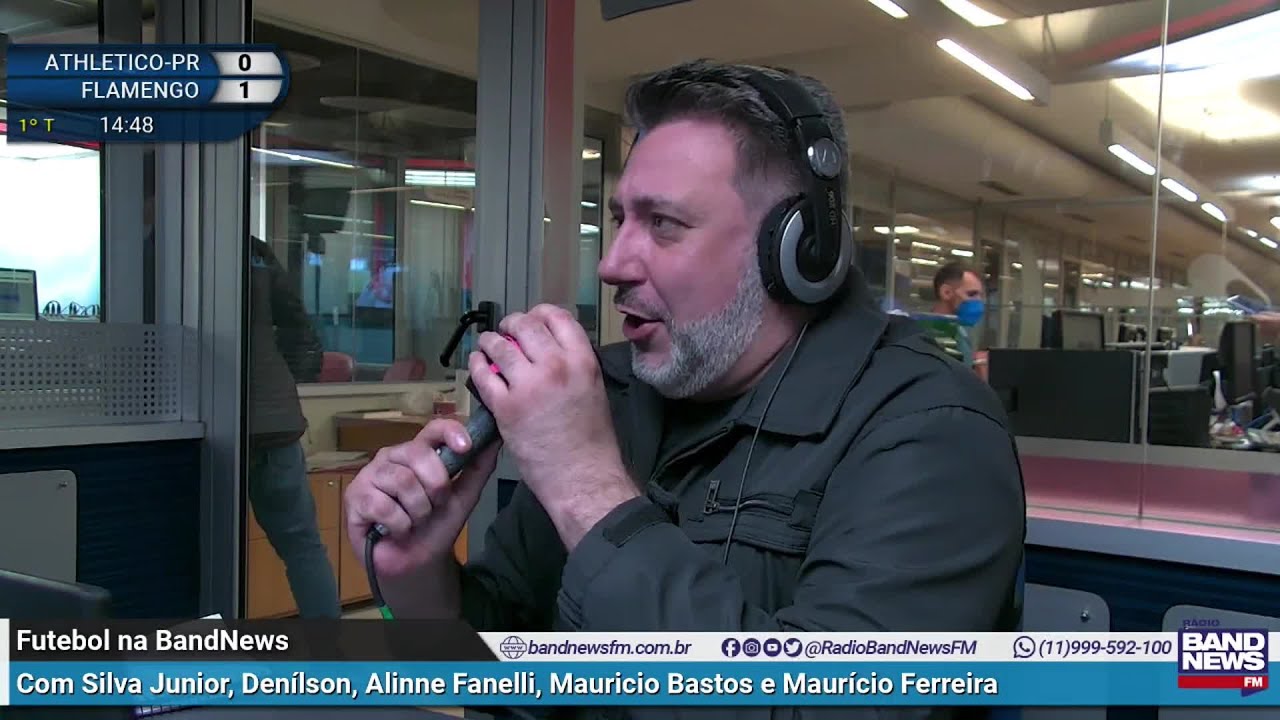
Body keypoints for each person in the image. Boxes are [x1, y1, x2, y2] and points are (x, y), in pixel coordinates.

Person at [344, 60, 1025, 718]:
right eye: (621, 219)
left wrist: (587, 488)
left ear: (796, 252)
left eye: (663, 223)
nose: (611, 263)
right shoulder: (607, 396)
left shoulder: (933, 432)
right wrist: (423, 582)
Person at [247, 236, 342, 619]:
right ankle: (329, 649)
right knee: (304, 547)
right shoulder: (255, 252)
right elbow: (298, 327)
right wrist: (276, 381)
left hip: (216, 422)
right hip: (277, 422)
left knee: (206, 548)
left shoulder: (176, 248)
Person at [927, 261, 988, 379]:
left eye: (980, 296)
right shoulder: (928, 334)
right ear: (946, 292)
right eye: (971, 294)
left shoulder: (960, 330)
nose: (978, 302)